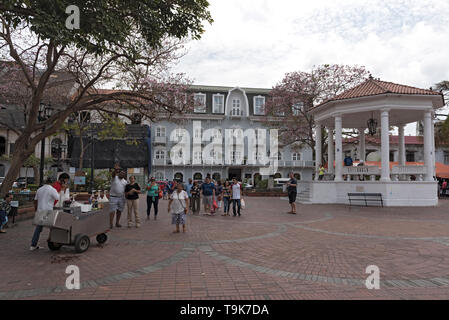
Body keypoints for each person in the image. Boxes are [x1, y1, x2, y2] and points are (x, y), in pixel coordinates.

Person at [30, 177, 60, 250]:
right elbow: (57, 198)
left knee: (38, 229)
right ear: (52, 183)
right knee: (53, 227)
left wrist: (36, 210)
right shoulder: (52, 190)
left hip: (40, 211)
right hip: (48, 211)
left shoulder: (39, 189)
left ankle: (33, 245)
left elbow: (35, 201)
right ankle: (53, 242)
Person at [109, 163, 127, 228]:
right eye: (120, 173)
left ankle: (117, 223)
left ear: (124, 175)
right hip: (113, 197)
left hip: (121, 198)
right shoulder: (114, 178)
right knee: (112, 211)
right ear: (119, 173)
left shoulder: (125, 181)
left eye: (123, 173)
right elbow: (113, 174)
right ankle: (111, 223)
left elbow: (126, 190)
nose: (122, 174)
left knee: (119, 211)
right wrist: (116, 169)